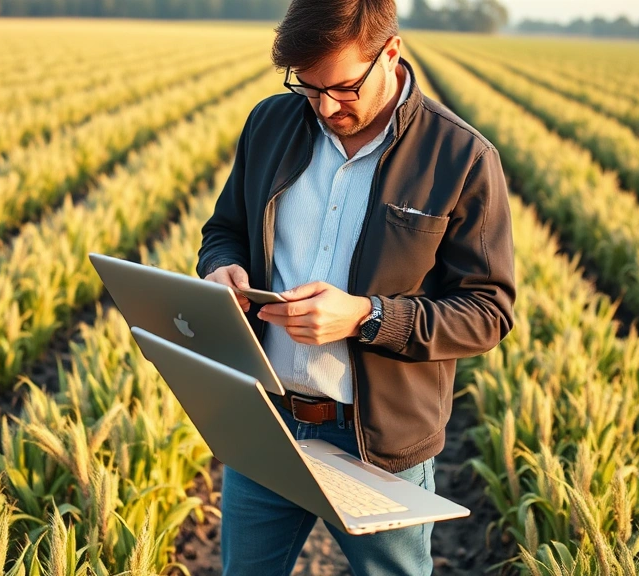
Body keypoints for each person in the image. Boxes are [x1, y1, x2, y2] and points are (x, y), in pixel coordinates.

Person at [195, 0, 516, 573]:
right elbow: (225, 231)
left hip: (378, 446)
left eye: (342, 87)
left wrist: (366, 317)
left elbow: (487, 312)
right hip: (264, 423)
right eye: (308, 88)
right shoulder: (270, 124)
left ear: (390, 52)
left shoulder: (461, 157)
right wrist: (222, 269)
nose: (324, 106)